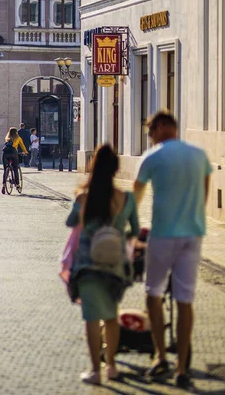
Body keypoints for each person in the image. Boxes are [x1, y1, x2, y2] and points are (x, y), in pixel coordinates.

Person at [133, 111, 212, 390]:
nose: (151, 136)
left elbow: (137, 195)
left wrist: (131, 231)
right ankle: (182, 369)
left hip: (163, 234)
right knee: (185, 299)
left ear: (164, 127)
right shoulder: (199, 155)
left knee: (153, 293)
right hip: (193, 234)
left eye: (151, 130)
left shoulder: (153, 157)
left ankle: (161, 357)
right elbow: (204, 192)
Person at [66, 144, 139, 385]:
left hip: (87, 266)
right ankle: (113, 367)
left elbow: (70, 222)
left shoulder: (83, 197)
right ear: (116, 169)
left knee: (91, 319)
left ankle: (95, 370)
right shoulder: (126, 198)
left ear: (93, 166)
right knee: (111, 317)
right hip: (114, 266)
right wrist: (119, 235)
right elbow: (136, 231)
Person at [1, 127, 28, 193]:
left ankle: (4, 185)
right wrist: (25, 152)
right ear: (16, 132)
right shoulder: (18, 138)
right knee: (15, 168)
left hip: (5, 153)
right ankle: (17, 184)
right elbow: (22, 145)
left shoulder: (7, 137)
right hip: (13, 153)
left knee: (5, 169)